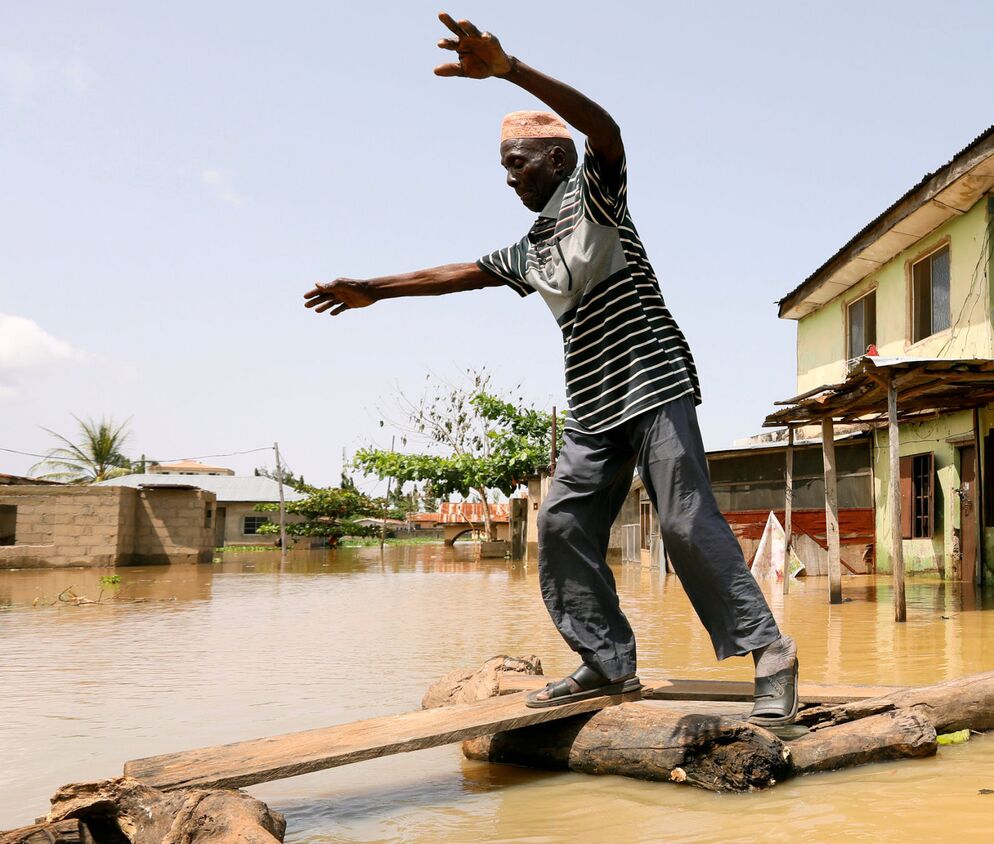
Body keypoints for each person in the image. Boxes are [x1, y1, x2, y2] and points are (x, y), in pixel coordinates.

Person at [301, 14, 799, 724]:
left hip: (652, 381)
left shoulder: (596, 194)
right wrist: (374, 289)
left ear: (557, 160)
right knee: (562, 526)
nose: (509, 180)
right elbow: (462, 271)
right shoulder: (531, 247)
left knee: (686, 523)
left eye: (517, 164)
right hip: (592, 405)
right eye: (504, 169)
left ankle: (771, 653)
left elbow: (607, 130)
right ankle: (606, 663)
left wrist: (510, 70)